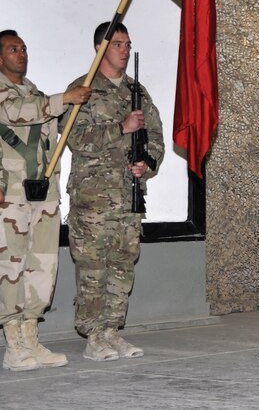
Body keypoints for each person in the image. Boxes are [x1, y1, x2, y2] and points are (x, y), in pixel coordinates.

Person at [0, 29, 90, 371]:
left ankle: (31, 335)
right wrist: (67, 98)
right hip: (12, 194)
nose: (21, 53)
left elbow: (51, 128)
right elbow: (20, 113)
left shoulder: (36, 92)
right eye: (13, 49)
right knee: (10, 266)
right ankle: (13, 342)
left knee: (43, 265)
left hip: (43, 196)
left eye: (24, 48)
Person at [65, 22, 164, 361]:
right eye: (118, 44)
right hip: (94, 199)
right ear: (99, 49)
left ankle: (112, 330)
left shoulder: (139, 92)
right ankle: (93, 335)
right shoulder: (83, 89)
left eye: (127, 43)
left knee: (122, 266)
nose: (124, 49)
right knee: (93, 267)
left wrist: (145, 166)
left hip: (129, 197)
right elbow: (75, 139)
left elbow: (155, 140)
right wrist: (121, 128)